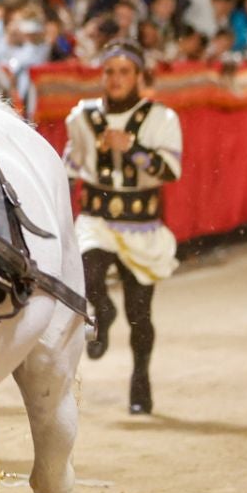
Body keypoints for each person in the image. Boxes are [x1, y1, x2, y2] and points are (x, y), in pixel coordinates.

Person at [64, 40, 183, 415]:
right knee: (87, 274)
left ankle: (140, 379)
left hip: (141, 225)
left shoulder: (161, 118)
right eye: (109, 71)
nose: (115, 79)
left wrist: (133, 148)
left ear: (139, 76)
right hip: (97, 219)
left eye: (124, 72)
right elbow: (72, 165)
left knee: (140, 311)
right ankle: (101, 309)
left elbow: (170, 170)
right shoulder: (81, 117)